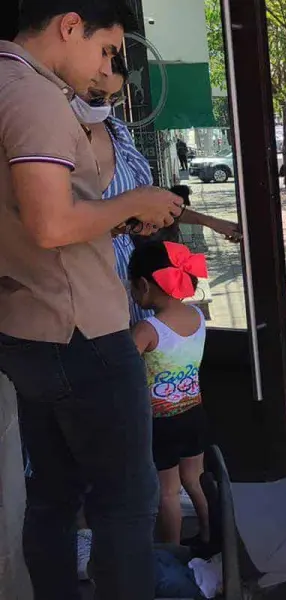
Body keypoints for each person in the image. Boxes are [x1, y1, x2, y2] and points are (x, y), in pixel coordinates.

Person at [0, 4, 184, 599]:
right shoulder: (32, 95)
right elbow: (52, 225)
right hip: (80, 328)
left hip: (29, 325)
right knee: (128, 503)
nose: (108, 68)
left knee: (53, 495)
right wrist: (134, 204)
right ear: (69, 25)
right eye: (106, 51)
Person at [84, 56, 240, 323]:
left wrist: (212, 222)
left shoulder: (116, 130)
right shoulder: (61, 142)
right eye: (98, 95)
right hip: (89, 279)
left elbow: (153, 204)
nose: (106, 105)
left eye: (114, 98)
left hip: (130, 274)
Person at [127, 241, 212, 548]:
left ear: (144, 284)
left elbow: (123, 372)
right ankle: (210, 533)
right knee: (196, 479)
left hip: (161, 422)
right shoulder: (197, 315)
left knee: (167, 491)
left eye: (133, 289)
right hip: (194, 413)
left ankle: (171, 551)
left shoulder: (146, 329)